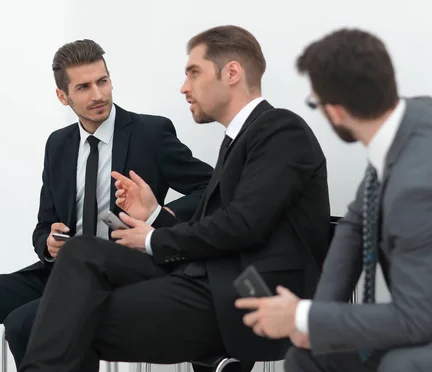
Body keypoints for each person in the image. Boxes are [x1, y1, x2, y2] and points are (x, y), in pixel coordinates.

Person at [17, 25, 330, 372]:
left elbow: (243, 225)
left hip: (242, 292)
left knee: (63, 322)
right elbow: (219, 223)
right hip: (203, 274)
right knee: (80, 251)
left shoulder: (281, 129)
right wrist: (153, 214)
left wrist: (153, 237)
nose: (184, 87)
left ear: (231, 73)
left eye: (193, 74)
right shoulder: (237, 140)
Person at [0, 39, 214, 372]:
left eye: (102, 81)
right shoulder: (58, 145)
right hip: (61, 272)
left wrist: (156, 215)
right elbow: (43, 225)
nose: (98, 95)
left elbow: (210, 189)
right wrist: (48, 243)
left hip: (122, 271)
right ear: (63, 96)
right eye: (84, 87)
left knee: (23, 324)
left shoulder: (150, 132)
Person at [236, 28, 432, 372]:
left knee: (401, 365)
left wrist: (303, 315)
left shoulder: (421, 188)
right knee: (306, 357)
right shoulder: (415, 117)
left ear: (335, 112)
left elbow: (412, 321)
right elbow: (355, 224)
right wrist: (311, 323)